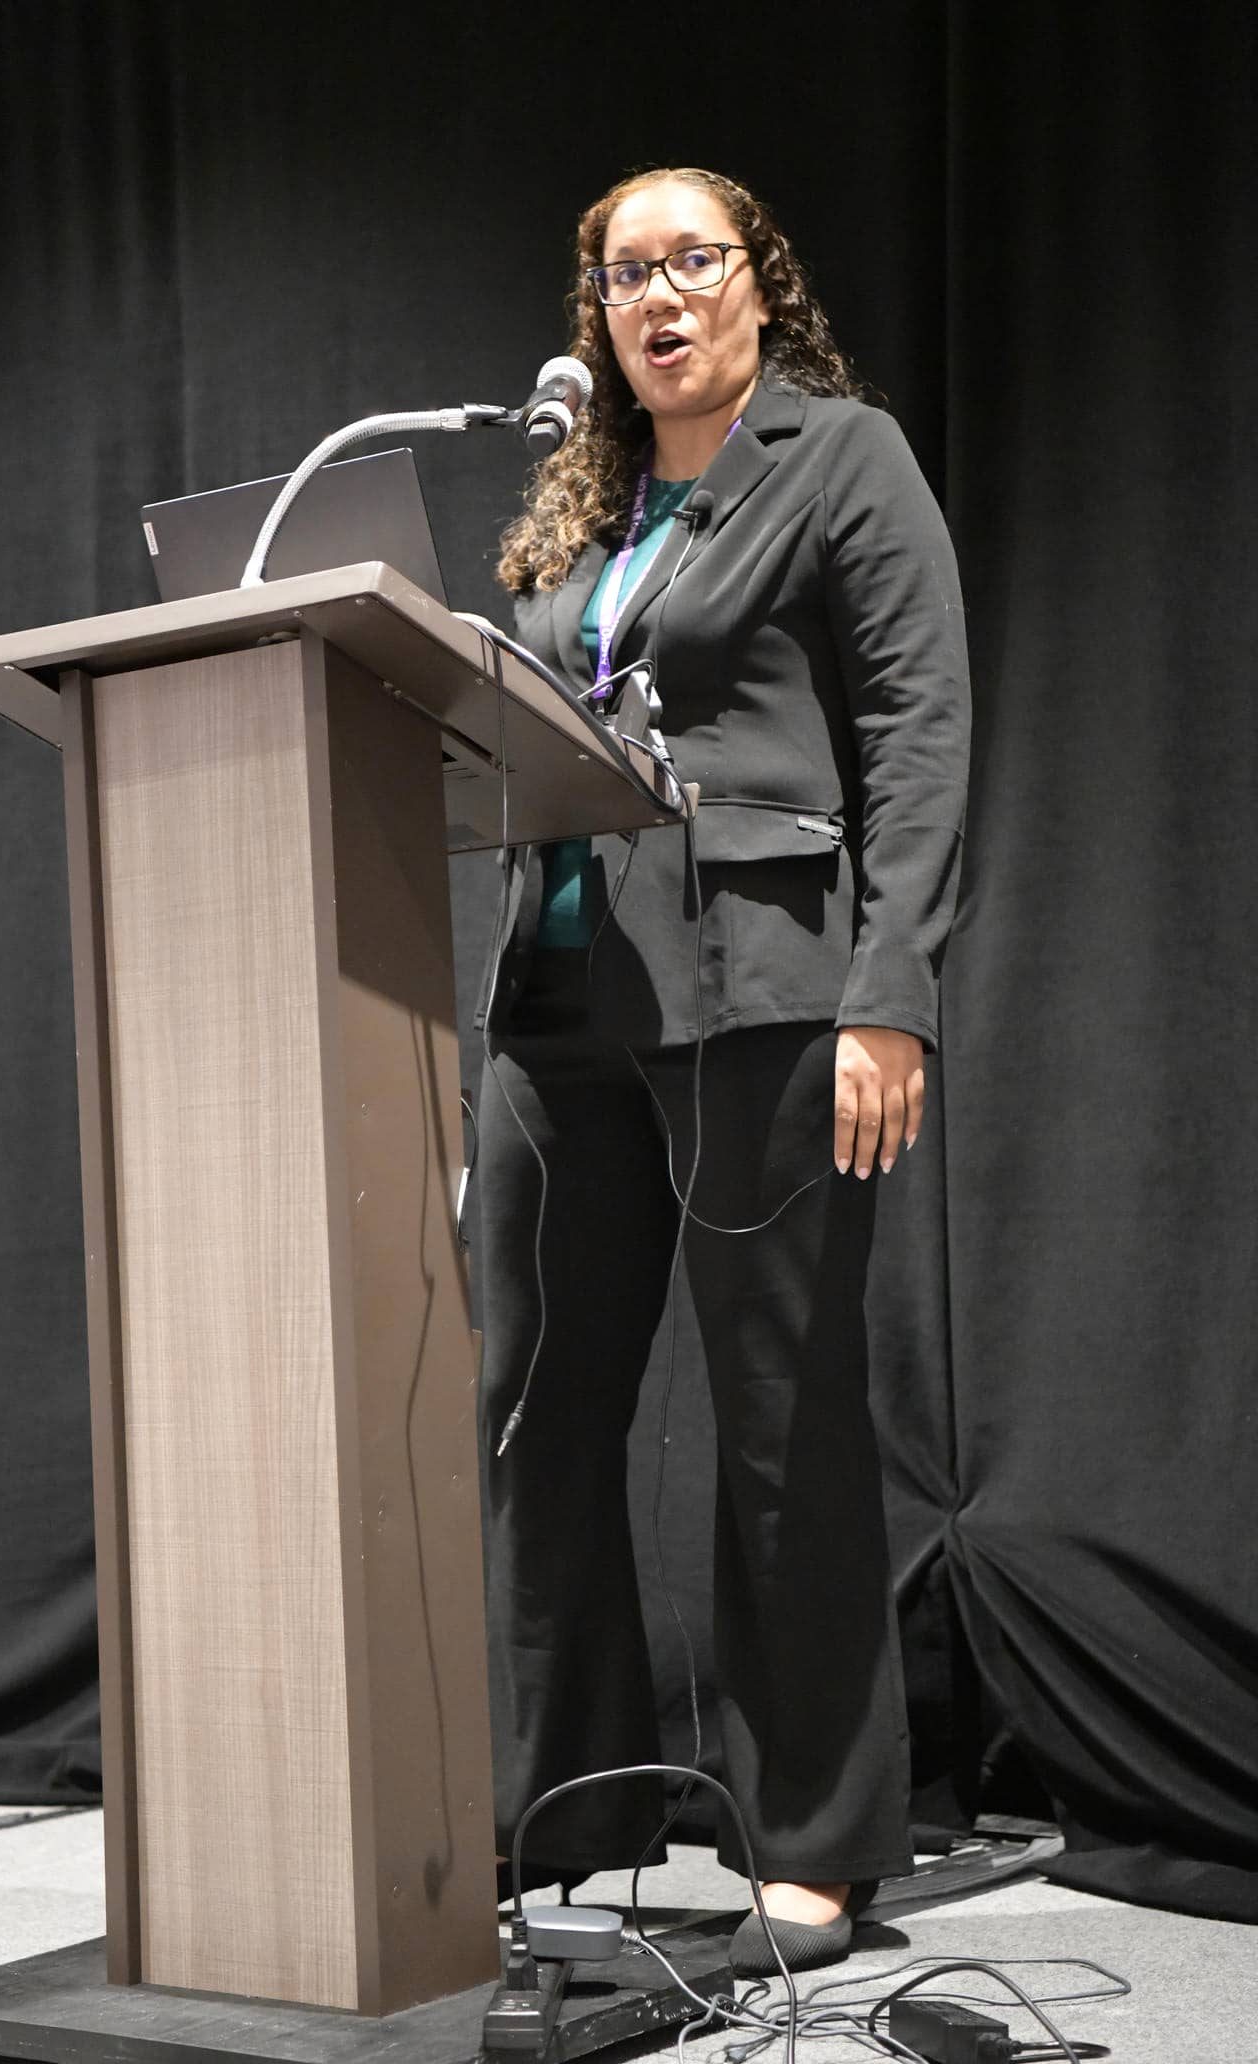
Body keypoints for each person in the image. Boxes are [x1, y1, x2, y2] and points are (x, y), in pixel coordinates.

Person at [476, 165, 970, 1973]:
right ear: (596, 312)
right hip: (560, 1004)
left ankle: (819, 1839)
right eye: (627, 274)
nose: (661, 297)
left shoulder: (842, 460)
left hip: (762, 994)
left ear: (759, 282)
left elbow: (918, 730)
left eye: (694, 261)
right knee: (533, 1413)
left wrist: (890, 994)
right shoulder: (580, 511)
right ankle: (563, 1805)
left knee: (781, 1423)